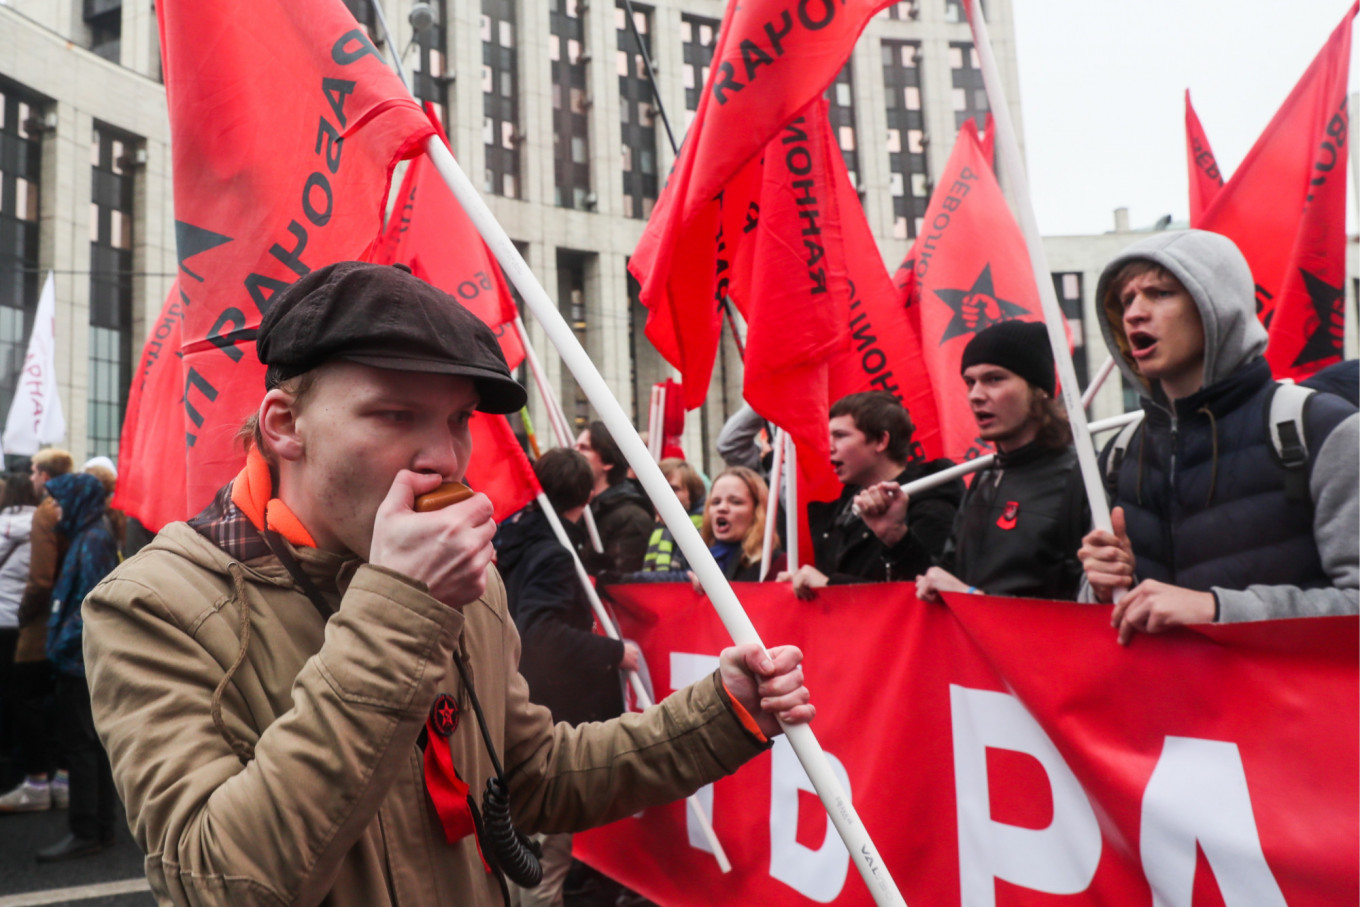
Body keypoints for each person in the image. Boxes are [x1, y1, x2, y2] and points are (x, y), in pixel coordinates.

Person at [83, 262, 813, 906]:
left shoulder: (467, 583)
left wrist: (720, 715)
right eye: (395, 415)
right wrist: (400, 608)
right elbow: (224, 883)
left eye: (459, 419)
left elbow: (532, 775)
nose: (444, 457)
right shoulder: (155, 605)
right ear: (284, 425)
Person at [1078, 230, 1358, 644]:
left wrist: (1216, 609)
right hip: (1166, 706)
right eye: (1126, 300)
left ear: (1218, 305)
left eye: (1160, 293)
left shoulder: (1322, 429)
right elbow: (1099, 636)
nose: (1134, 313)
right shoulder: (1120, 453)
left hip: (1289, 707)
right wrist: (1102, 589)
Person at [494, 447, 638, 907]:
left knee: (519, 861)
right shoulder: (553, 552)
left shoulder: (519, 535)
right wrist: (616, 652)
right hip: (547, 716)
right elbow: (542, 632)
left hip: (515, 702)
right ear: (590, 493)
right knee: (544, 864)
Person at [909, 321, 1088, 602]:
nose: (976, 395)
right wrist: (896, 537)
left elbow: (1088, 607)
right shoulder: (985, 476)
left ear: (1038, 389)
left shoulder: (1082, 478)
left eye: (994, 379)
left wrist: (971, 597)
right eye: (970, 382)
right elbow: (947, 573)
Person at [782, 392, 962, 599]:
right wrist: (802, 586)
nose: (828, 447)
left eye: (840, 435)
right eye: (829, 436)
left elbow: (929, 594)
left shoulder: (931, 504)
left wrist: (831, 587)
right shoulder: (839, 511)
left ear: (880, 441)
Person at [37, 472, 120, 861]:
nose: (54, 509)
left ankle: (86, 831)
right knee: (91, 747)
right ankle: (99, 828)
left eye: (59, 500)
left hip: (78, 662)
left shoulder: (92, 539)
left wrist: (57, 645)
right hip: (79, 659)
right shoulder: (90, 534)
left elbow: (93, 605)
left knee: (81, 747)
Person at [0, 449, 73, 814]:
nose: (31, 476)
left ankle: (35, 780)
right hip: (55, 624)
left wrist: (27, 611)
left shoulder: (41, 518)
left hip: (24, 623)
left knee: (23, 702)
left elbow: (40, 581)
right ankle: (58, 777)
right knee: (53, 701)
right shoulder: (67, 516)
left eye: (34, 470)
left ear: (44, 476)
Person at [0, 474, 38, 800]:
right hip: (23, 620)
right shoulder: (43, 525)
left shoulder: (2, 525)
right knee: (19, 693)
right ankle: (17, 759)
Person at [575, 422, 653, 574]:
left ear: (608, 462)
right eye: (575, 446)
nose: (574, 453)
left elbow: (620, 582)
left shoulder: (632, 518)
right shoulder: (580, 509)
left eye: (584, 448)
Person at [639, 458, 705, 576]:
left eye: (673, 489)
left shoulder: (703, 532)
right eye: (657, 489)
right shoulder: (658, 529)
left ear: (692, 494)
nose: (664, 495)